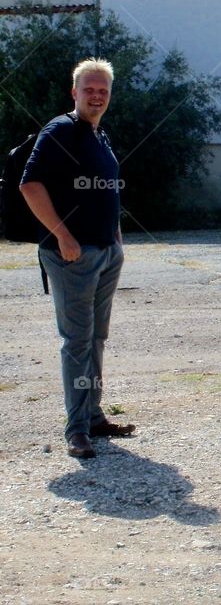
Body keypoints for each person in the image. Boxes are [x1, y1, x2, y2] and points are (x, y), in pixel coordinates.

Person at [20, 58, 134, 459]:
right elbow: (29, 185)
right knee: (76, 342)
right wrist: (63, 235)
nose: (97, 95)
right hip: (71, 255)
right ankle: (76, 430)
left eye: (103, 90)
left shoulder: (98, 135)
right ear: (75, 92)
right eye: (89, 89)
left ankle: (94, 416)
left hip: (105, 252)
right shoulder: (60, 130)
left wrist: (114, 232)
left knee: (96, 338)